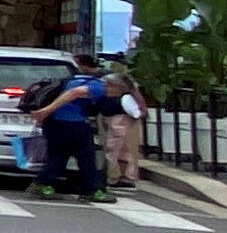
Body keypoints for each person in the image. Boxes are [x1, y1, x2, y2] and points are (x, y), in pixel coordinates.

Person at [34, 49, 107, 202]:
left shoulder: (69, 80)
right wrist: (47, 110)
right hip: (74, 124)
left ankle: (41, 184)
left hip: (55, 123)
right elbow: (74, 94)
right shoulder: (98, 86)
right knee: (86, 158)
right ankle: (92, 190)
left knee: (58, 156)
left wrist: (46, 114)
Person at [102, 59, 145, 187]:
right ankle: (122, 175)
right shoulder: (115, 97)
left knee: (117, 149)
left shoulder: (124, 99)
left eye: (109, 85)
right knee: (119, 149)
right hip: (114, 121)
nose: (106, 88)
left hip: (120, 122)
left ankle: (121, 175)